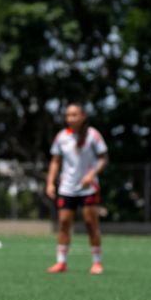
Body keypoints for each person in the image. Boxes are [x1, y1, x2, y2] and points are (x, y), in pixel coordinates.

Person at [45, 103, 108, 274]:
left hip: (88, 187)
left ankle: (96, 262)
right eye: (68, 115)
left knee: (90, 223)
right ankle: (61, 262)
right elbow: (55, 161)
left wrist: (92, 174)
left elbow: (103, 159)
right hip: (67, 187)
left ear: (83, 116)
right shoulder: (62, 137)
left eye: (74, 115)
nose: (70, 118)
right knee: (64, 223)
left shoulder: (93, 135)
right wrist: (50, 182)